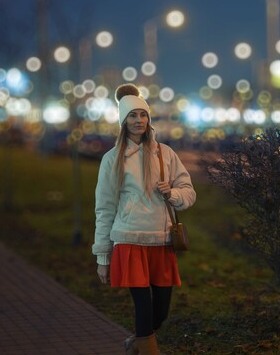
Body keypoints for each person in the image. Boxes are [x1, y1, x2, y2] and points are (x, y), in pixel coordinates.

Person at [93, 83, 196, 355]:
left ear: (149, 119)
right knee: (143, 307)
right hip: (129, 240)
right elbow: (104, 208)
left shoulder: (165, 154)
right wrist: (103, 257)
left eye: (143, 115)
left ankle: (136, 343)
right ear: (123, 121)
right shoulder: (112, 159)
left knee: (160, 312)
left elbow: (189, 192)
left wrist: (172, 193)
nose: (139, 120)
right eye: (132, 115)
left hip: (161, 240)